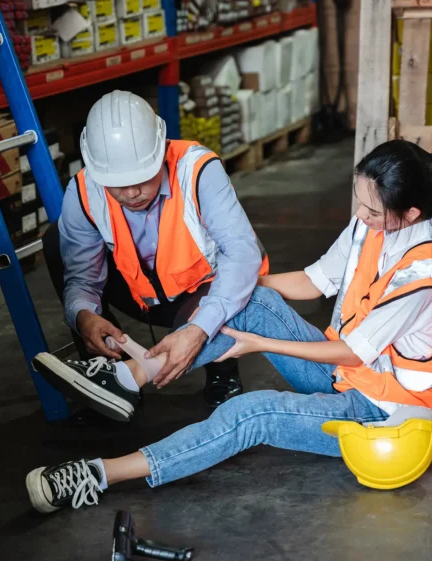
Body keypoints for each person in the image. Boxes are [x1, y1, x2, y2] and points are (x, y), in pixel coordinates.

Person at [26, 140, 432, 513]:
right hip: (348, 375)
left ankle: (98, 474)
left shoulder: (421, 278)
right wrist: (235, 287)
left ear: (409, 214)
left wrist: (261, 343)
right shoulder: (372, 226)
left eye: (371, 209)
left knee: (249, 414)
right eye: (358, 200)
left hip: (383, 409)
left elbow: (353, 351)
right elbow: (313, 281)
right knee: (250, 299)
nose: (360, 214)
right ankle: (126, 378)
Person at [35, 90, 269, 420]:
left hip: (200, 291)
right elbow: (81, 277)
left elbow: (242, 255)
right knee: (54, 241)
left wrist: (199, 328)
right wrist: (83, 315)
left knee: (220, 305)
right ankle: (108, 376)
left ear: (160, 153)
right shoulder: (84, 190)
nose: (132, 193)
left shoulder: (197, 169)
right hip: (140, 293)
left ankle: (222, 373)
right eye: (117, 184)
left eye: (142, 178)